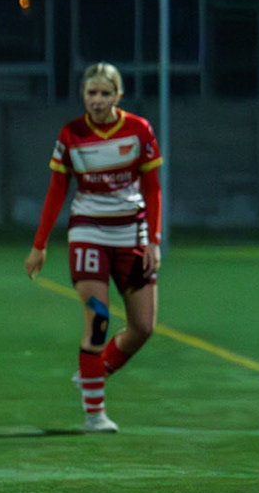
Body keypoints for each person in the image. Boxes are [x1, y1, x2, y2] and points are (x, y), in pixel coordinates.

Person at [24, 62, 161, 433]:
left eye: (104, 93)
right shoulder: (71, 133)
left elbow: (152, 188)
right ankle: (94, 414)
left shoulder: (138, 131)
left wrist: (153, 240)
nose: (97, 100)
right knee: (98, 321)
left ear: (118, 96)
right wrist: (40, 245)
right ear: (83, 96)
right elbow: (57, 190)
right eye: (91, 93)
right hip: (89, 234)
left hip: (132, 234)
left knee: (144, 326)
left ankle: (93, 373)